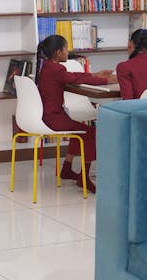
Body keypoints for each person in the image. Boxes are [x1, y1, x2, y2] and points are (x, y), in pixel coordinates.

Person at [34, 34, 115, 192]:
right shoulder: (56, 69)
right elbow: (75, 79)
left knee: (80, 130)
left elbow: (73, 76)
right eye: (66, 48)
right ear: (58, 52)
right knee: (90, 133)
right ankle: (85, 178)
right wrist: (106, 80)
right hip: (53, 118)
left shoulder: (48, 67)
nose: (67, 51)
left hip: (49, 116)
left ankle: (67, 169)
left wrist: (96, 74)